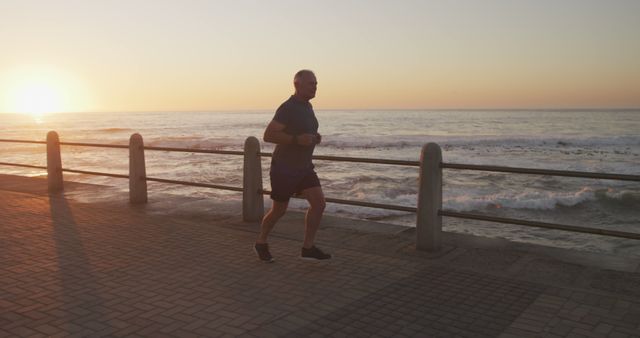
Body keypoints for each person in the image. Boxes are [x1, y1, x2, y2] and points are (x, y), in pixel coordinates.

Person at [254, 69, 331, 262]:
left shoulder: (308, 107)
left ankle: (308, 247)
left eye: (316, 84)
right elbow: (269, 135)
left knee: (319, 204)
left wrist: (314, 138)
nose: (315, 87)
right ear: (297, 85)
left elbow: (304, 132)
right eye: (311, 83)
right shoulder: (287, 107)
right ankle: (261, 242)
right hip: (284, 168)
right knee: (279, 210)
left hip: (304, 167)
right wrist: (297, 139)